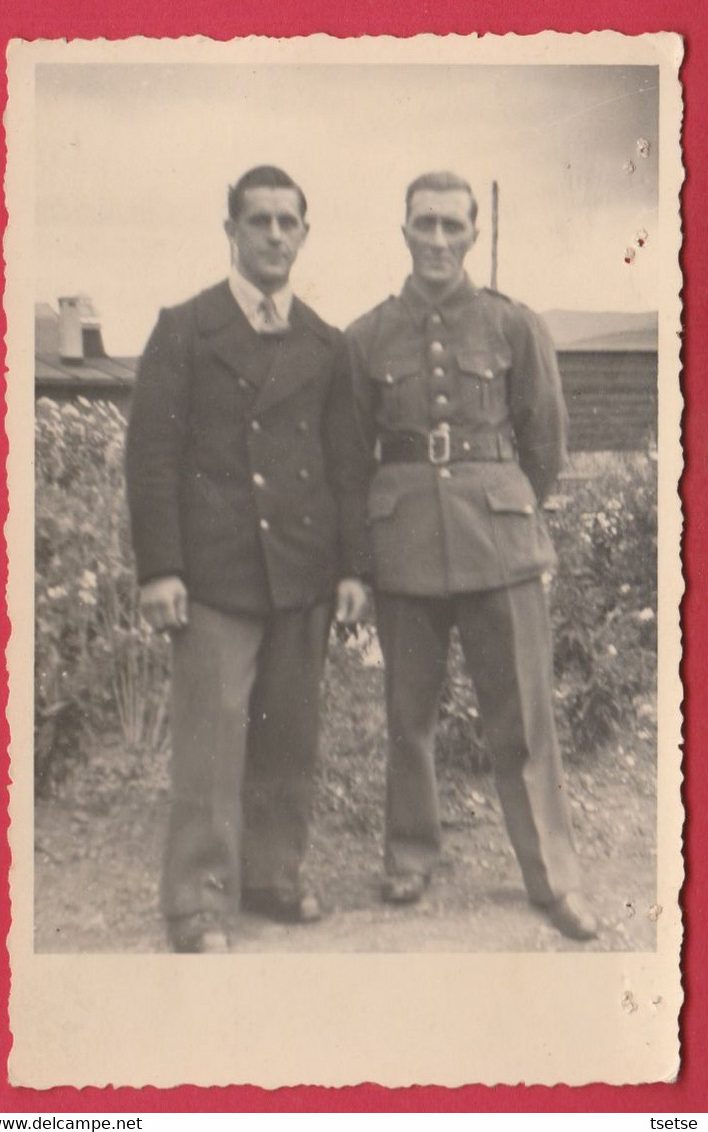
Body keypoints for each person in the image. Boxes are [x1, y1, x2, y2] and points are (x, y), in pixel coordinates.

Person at [346, 171, 598, 941]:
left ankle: (551, 877)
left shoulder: (512, 325)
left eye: (452, 226)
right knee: (406, 717)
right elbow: (350, 455)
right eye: (423, 223)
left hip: (499, 541)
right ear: (403, 230)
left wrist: (505, 501)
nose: (437, 239)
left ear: (472, 234)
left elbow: (544, 439)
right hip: (404, 546)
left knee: (520, 720)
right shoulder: (365, 337)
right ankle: (410, 856)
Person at [126, 165, 367, 952]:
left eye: (285, 222)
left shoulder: (326, 344)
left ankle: (272, 876)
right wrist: (159, 567)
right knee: (212, 739)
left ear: (303, 233)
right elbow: (152, 456)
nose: (271, 235)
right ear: (229, 231)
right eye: (256, 221)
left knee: (288, 734)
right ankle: (196, 901)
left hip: (300, 572)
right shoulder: (184, 328)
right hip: (215, 573)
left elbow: (345, 468)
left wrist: (351, 571)